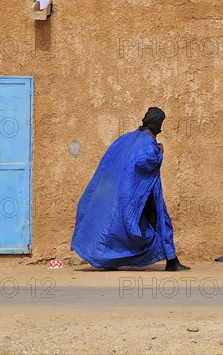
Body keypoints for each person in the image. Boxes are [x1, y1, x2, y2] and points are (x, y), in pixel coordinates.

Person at [71, 107, 189, 271]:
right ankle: (172, 261)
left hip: (124, 190)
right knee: (161, 221)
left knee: (114, 224)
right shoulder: (148, 142)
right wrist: (160, 152)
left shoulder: (128, 138)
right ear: (157, 124)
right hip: (140, 192)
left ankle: (110, 261)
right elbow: (147, 162)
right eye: (160, 123)